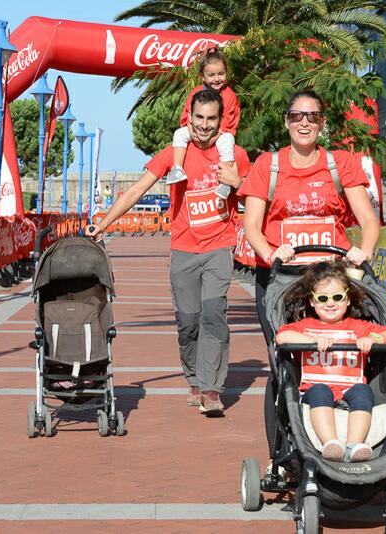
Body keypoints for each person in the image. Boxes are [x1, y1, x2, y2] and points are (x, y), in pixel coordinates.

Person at [86, 89, 250, 416]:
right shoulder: (174, 153)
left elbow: (253, 196)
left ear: (221, 121)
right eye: (199, 118)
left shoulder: (235, 155)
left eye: (211, 119)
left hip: (219, 247)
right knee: (188, 323)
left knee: (214, 316)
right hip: (184, 251)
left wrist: (238, 182)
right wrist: (104, 223)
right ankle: (193, 377)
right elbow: (136, 189)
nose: (204, 126)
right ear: (189, 117)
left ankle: (211, 389)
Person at [237, 90, 380, 347]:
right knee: (282, 350)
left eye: (312, 116)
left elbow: (368, 219)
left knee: (336, 345)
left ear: (322, 123)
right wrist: (271, 255)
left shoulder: (341, 163)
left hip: (330, 277)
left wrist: (364, 251)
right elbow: (251, 225)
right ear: (286, 121)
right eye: (297, 116)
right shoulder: (267, 165)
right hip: (279, 275)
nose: (304, 122)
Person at [276, 260, 386, 462]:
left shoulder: (359, 327)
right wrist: (311, 340)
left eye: (337, 297)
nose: (330, 303)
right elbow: (282, 336)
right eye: (323, 298)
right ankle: (330, 442)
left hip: (350, 388)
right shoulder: (306, 326)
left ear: (348, 299)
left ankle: (354, 444)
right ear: (312, 301)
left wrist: (373, 339)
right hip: (314, 390)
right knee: (320, 390)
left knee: (363, 391)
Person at [166, 49, 240, 201]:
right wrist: (191, 131)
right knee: (179, 134)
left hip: (220, 134)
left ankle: (225, 182)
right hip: (197, 131)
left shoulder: (229, 96)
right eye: (211, 75)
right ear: (203, 77)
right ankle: (177, 169)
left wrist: (212, 138)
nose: (217, 79)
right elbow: (186, 116)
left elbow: (226, 124)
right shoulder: (196, 92)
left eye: (221, 73)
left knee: (227, 142)